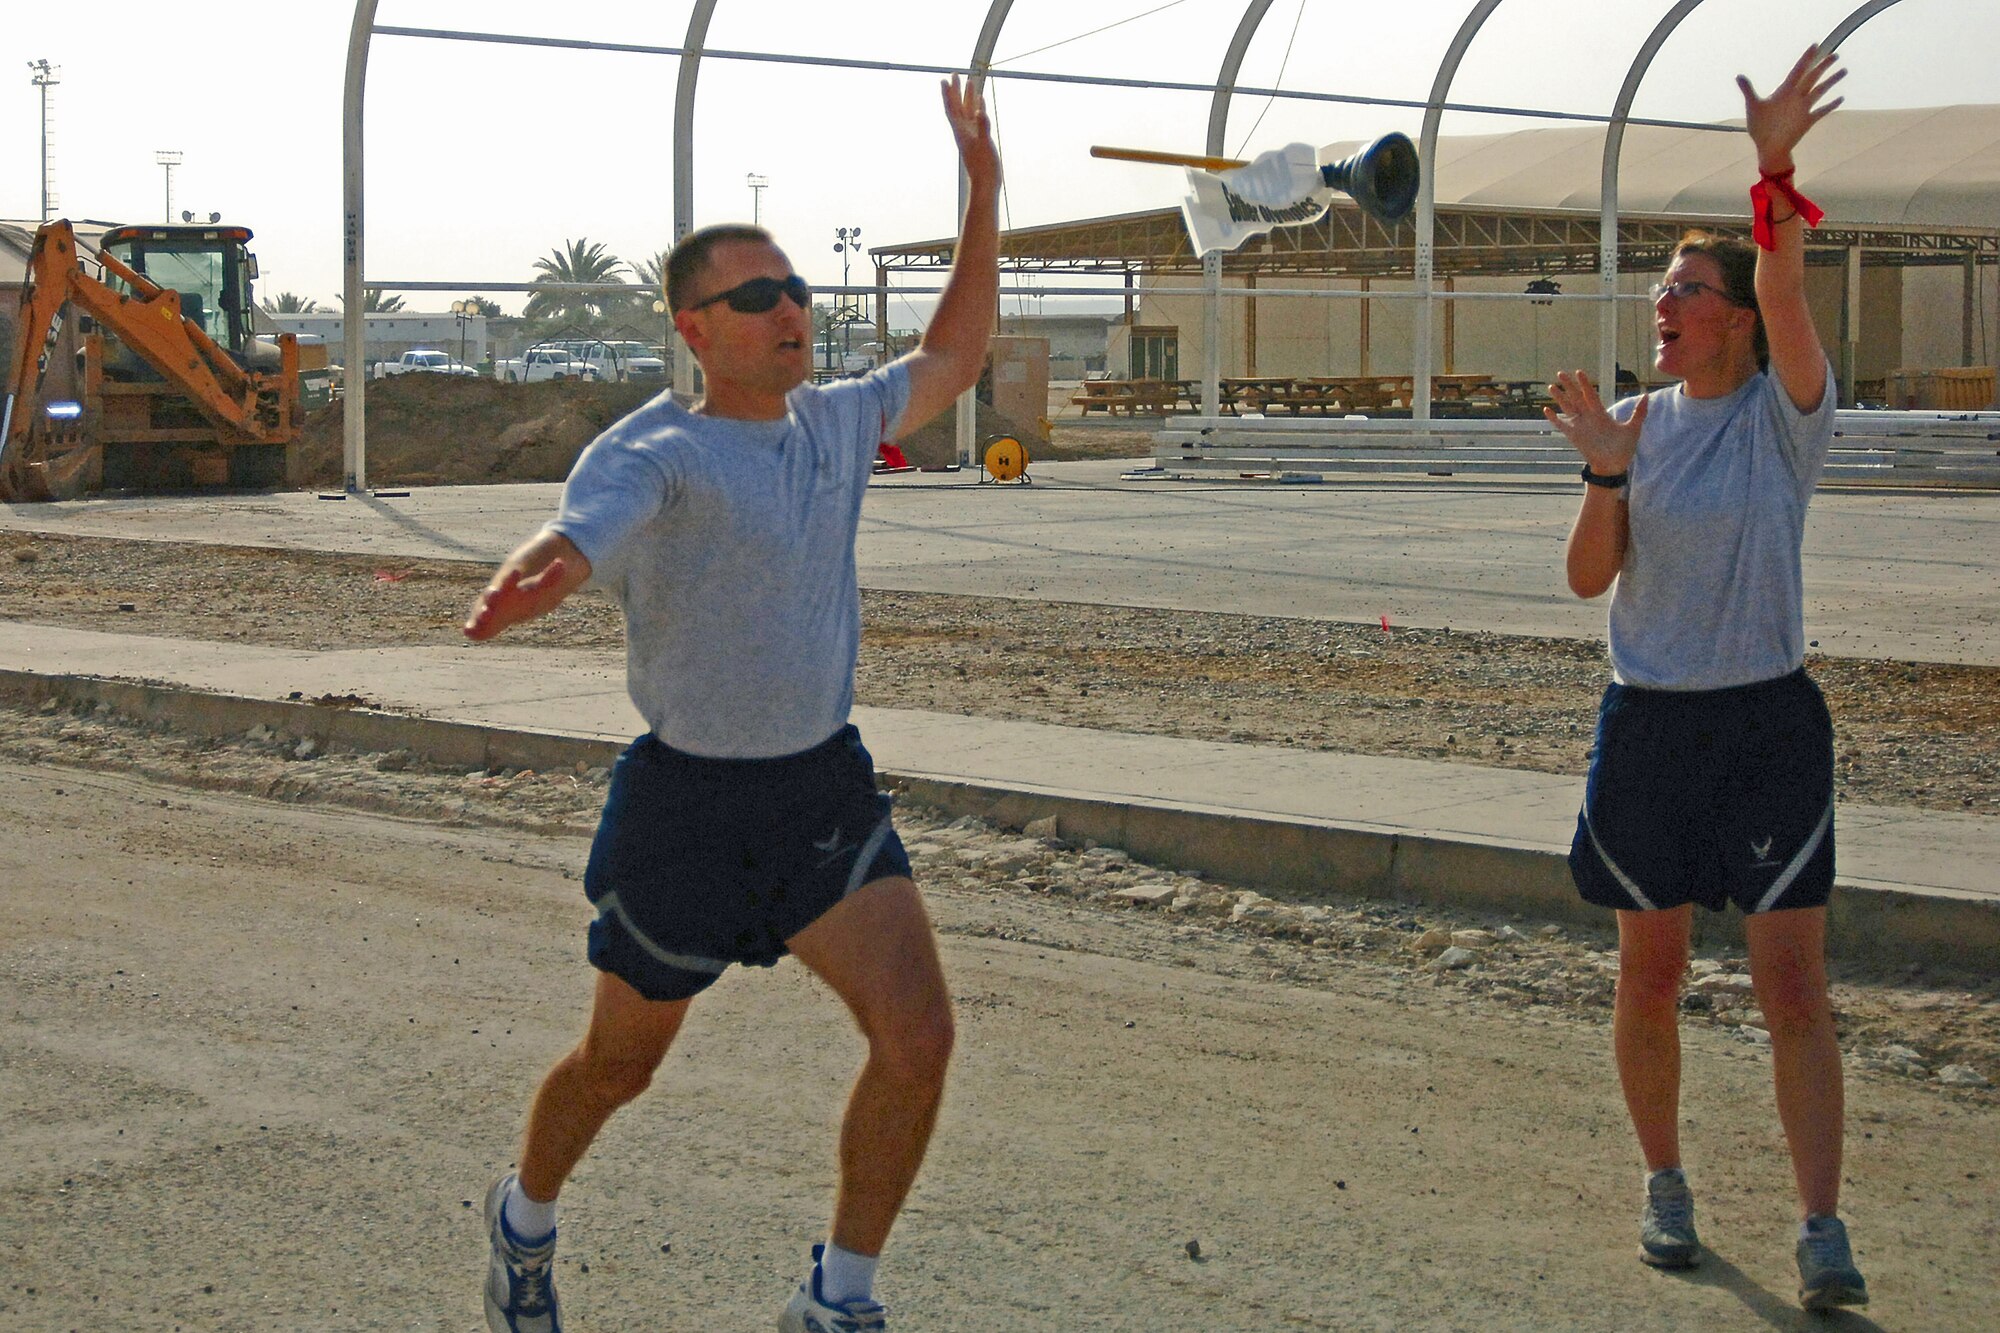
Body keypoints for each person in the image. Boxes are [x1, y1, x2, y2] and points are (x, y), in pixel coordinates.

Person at [466, 76, 999, 1333]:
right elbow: (576, 532)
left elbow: (955, 351)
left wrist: (983, 191)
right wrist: (531, 578)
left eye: (797, 287)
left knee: (918, 1037)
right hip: (688, 808)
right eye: (756, 296)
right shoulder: (655, 450)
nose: (791, 309)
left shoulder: (835, 419)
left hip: (819, 786)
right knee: (618, 1067)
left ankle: (838, 1299)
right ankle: (523, 1214)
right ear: (694, 329)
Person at [1544, 47, 1868, 1312]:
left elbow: (1788, 283)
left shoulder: (1785, 412)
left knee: (1792, 983)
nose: (1661, 304)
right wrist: (1603, 470)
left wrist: (1772, 168)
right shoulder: (1637, 424)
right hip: (1648, 727)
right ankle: (1664, 1184)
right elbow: (1585, 583)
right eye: (1660, 290)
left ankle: (1820, 1223)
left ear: (1732, 313)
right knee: (1650, 974)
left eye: (1684, 288)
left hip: (1765, 724)